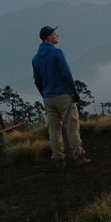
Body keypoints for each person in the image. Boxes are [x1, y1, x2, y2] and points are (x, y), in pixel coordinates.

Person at [31, 25, 90, 169]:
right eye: (54, 33)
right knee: (72, 126)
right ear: (48, 37)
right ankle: (78, 156)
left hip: (48, 97)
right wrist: (74, 92)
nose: (57, 35)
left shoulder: (35, 59)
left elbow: (37, 81)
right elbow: (66, 74)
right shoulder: (57, 53)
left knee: (54, 129)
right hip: (63, 95)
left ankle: (58, 159)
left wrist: (44, 94)